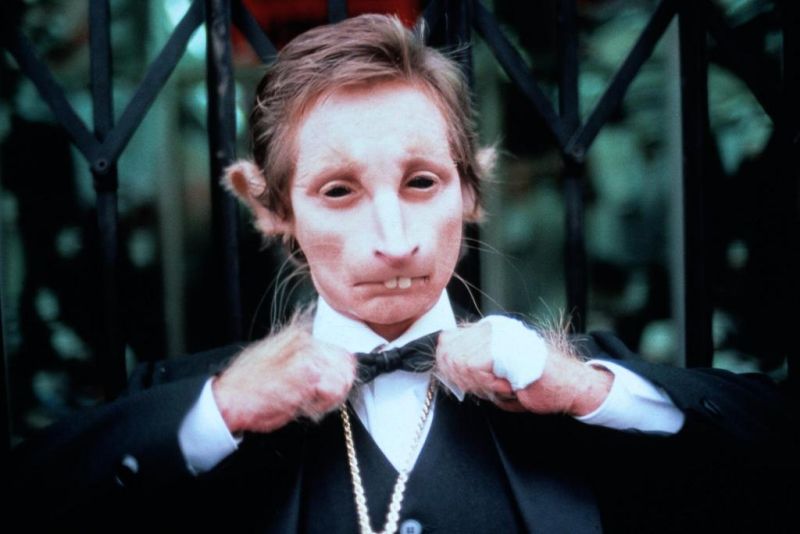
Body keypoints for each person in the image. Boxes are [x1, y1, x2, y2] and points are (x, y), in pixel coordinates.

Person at [10, 14, 794, 533]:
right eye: (338, 191)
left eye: (421, 182)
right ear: (274, 211)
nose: (394, 240)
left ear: (472, 191)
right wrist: (220, 412)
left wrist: (588, 391)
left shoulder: (583, 395)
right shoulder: (188, 406)